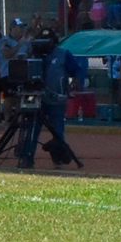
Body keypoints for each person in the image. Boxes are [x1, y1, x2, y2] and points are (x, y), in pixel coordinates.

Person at [17, 28, 85, 169]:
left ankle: (58, 158)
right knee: (32, 129)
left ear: (54, 41)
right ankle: (27, 157)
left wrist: (77, 80)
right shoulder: (33, 54)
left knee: (57, 131)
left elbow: (77, 70)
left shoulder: (63, 54)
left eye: (48, 41)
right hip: (36, 100)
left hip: (56, 100)